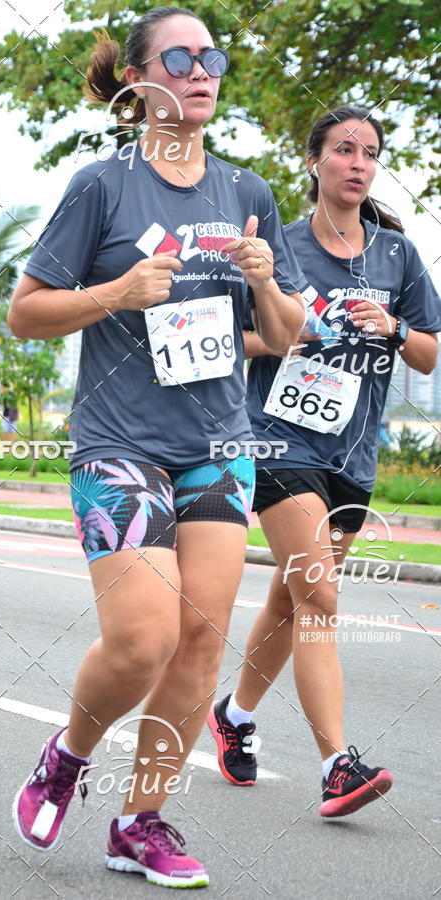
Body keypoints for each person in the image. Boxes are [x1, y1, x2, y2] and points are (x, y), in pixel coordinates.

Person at [7, 6, 304, 887]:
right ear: (141, 80)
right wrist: (120, 291)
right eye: (180, 57)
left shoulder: (248, 192)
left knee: (200, 647)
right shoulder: (102, 185)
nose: (202, 69)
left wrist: (265, 283)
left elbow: (285, 336)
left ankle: (141, 824)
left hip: (218, 443)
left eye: (211, 55)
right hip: (119, 443)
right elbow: (27, 313)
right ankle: (67, 754)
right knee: (142, 640)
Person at [209, 105, 441, 818]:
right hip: (278, 442)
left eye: (370, 153)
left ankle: (235, 715)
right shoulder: (276, 245)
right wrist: (290, 336)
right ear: (314, 162)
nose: (358, 163)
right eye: (344, 150)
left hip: (352, 454)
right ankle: (337, 764)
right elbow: (232, 335)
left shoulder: (396, 257)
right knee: (320, 593)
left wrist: (397, 327)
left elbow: (429, 354)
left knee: (293, 593)